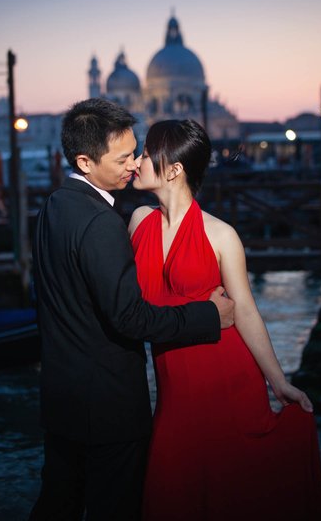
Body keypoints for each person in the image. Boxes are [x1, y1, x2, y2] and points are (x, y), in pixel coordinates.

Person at [28, 99, 234, 521]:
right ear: (85, 161)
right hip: (107, 407)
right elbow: (131, 317)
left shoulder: (53, 206)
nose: (135, 164)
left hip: (61, 398)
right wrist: (208, 316)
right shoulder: (101, 222)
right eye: (124, 158)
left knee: (57, 506)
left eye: (135, 151)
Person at [129, 119, 321, 521]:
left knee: (229, 491)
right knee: (170, 492)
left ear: (173, 169)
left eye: (146, 154)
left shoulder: (221, 235)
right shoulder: (136, 223)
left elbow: (247, 311)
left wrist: (278, 381)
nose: (136, 161)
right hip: (173, 392)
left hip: (227, 378)